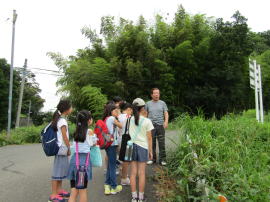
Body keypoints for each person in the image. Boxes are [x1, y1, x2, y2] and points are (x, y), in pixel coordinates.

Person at [67, 110, 95, 202]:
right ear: (88, 121)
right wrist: (94, 137)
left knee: (74, 190)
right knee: (83, 191)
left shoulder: (76, 132)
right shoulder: (89, 131)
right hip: (84, 164)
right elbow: (92, 144)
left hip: (74, 161)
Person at [129, 98, 154, 202]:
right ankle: (141, 197)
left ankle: (134, 197)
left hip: (132, 146)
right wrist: (150, 151)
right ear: (143, 108)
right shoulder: (147, 121)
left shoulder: (130, 119)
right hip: (143, 147)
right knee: (142, 173)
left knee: (133, 173)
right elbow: (149, 138)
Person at [49, 100, 73, 202]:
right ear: (67, 109)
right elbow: (65, 137)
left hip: (60, 149)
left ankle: (59, 191)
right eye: (71, 107)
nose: (72, 109)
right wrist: (68, 148)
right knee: (57, 172)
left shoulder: (59, 119)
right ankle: (53, 196)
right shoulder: (62, 121)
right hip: (62, 149)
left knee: (60, 171)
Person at [145, 88, 169, 166]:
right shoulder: (148, 104)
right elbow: (145, 114)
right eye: (155, 93)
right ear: (151, 95)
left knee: (162, 143)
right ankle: (152, 159)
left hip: (160, 125)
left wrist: (166, 121)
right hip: (150, 126)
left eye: (158, 93)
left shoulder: (162, 103)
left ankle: (163, 159)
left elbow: (166, 113)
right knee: (152, 143)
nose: (156, 95)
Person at [103, 104, 123, 195]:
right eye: (115, 110)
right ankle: (114, 187)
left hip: (108, 144)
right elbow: (121, 125)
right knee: (112, 166)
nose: (116, 112)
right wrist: (118, 114)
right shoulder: (111, 118)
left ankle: (107, 185)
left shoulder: (106, 118)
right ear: (111, 111)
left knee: (110, 166)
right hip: (112, 144)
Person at [118, 102, 133, 185]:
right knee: (126, 159)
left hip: (119, 139)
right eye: (131, 110)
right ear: (128, 109)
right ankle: (124, 178)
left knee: (122, 159)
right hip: (127, 140)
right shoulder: (129, 117)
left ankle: (123, 174)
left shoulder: (118, 116)